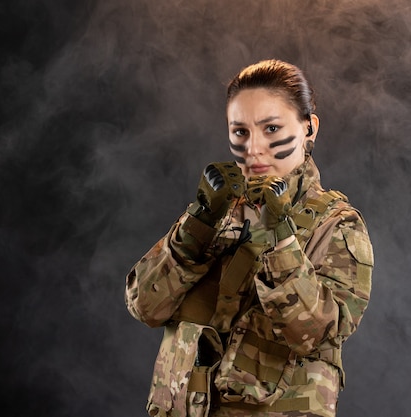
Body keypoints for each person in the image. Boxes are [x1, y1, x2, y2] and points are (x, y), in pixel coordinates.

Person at [125, 59, 374, 417]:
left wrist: (280, 238)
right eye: (240, 132)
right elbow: (145, 307)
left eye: (272, 128)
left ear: (309, 128)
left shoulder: (337, 225)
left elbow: (313, 333)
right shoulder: (218, 210)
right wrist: (198, 224)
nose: (254, 148)